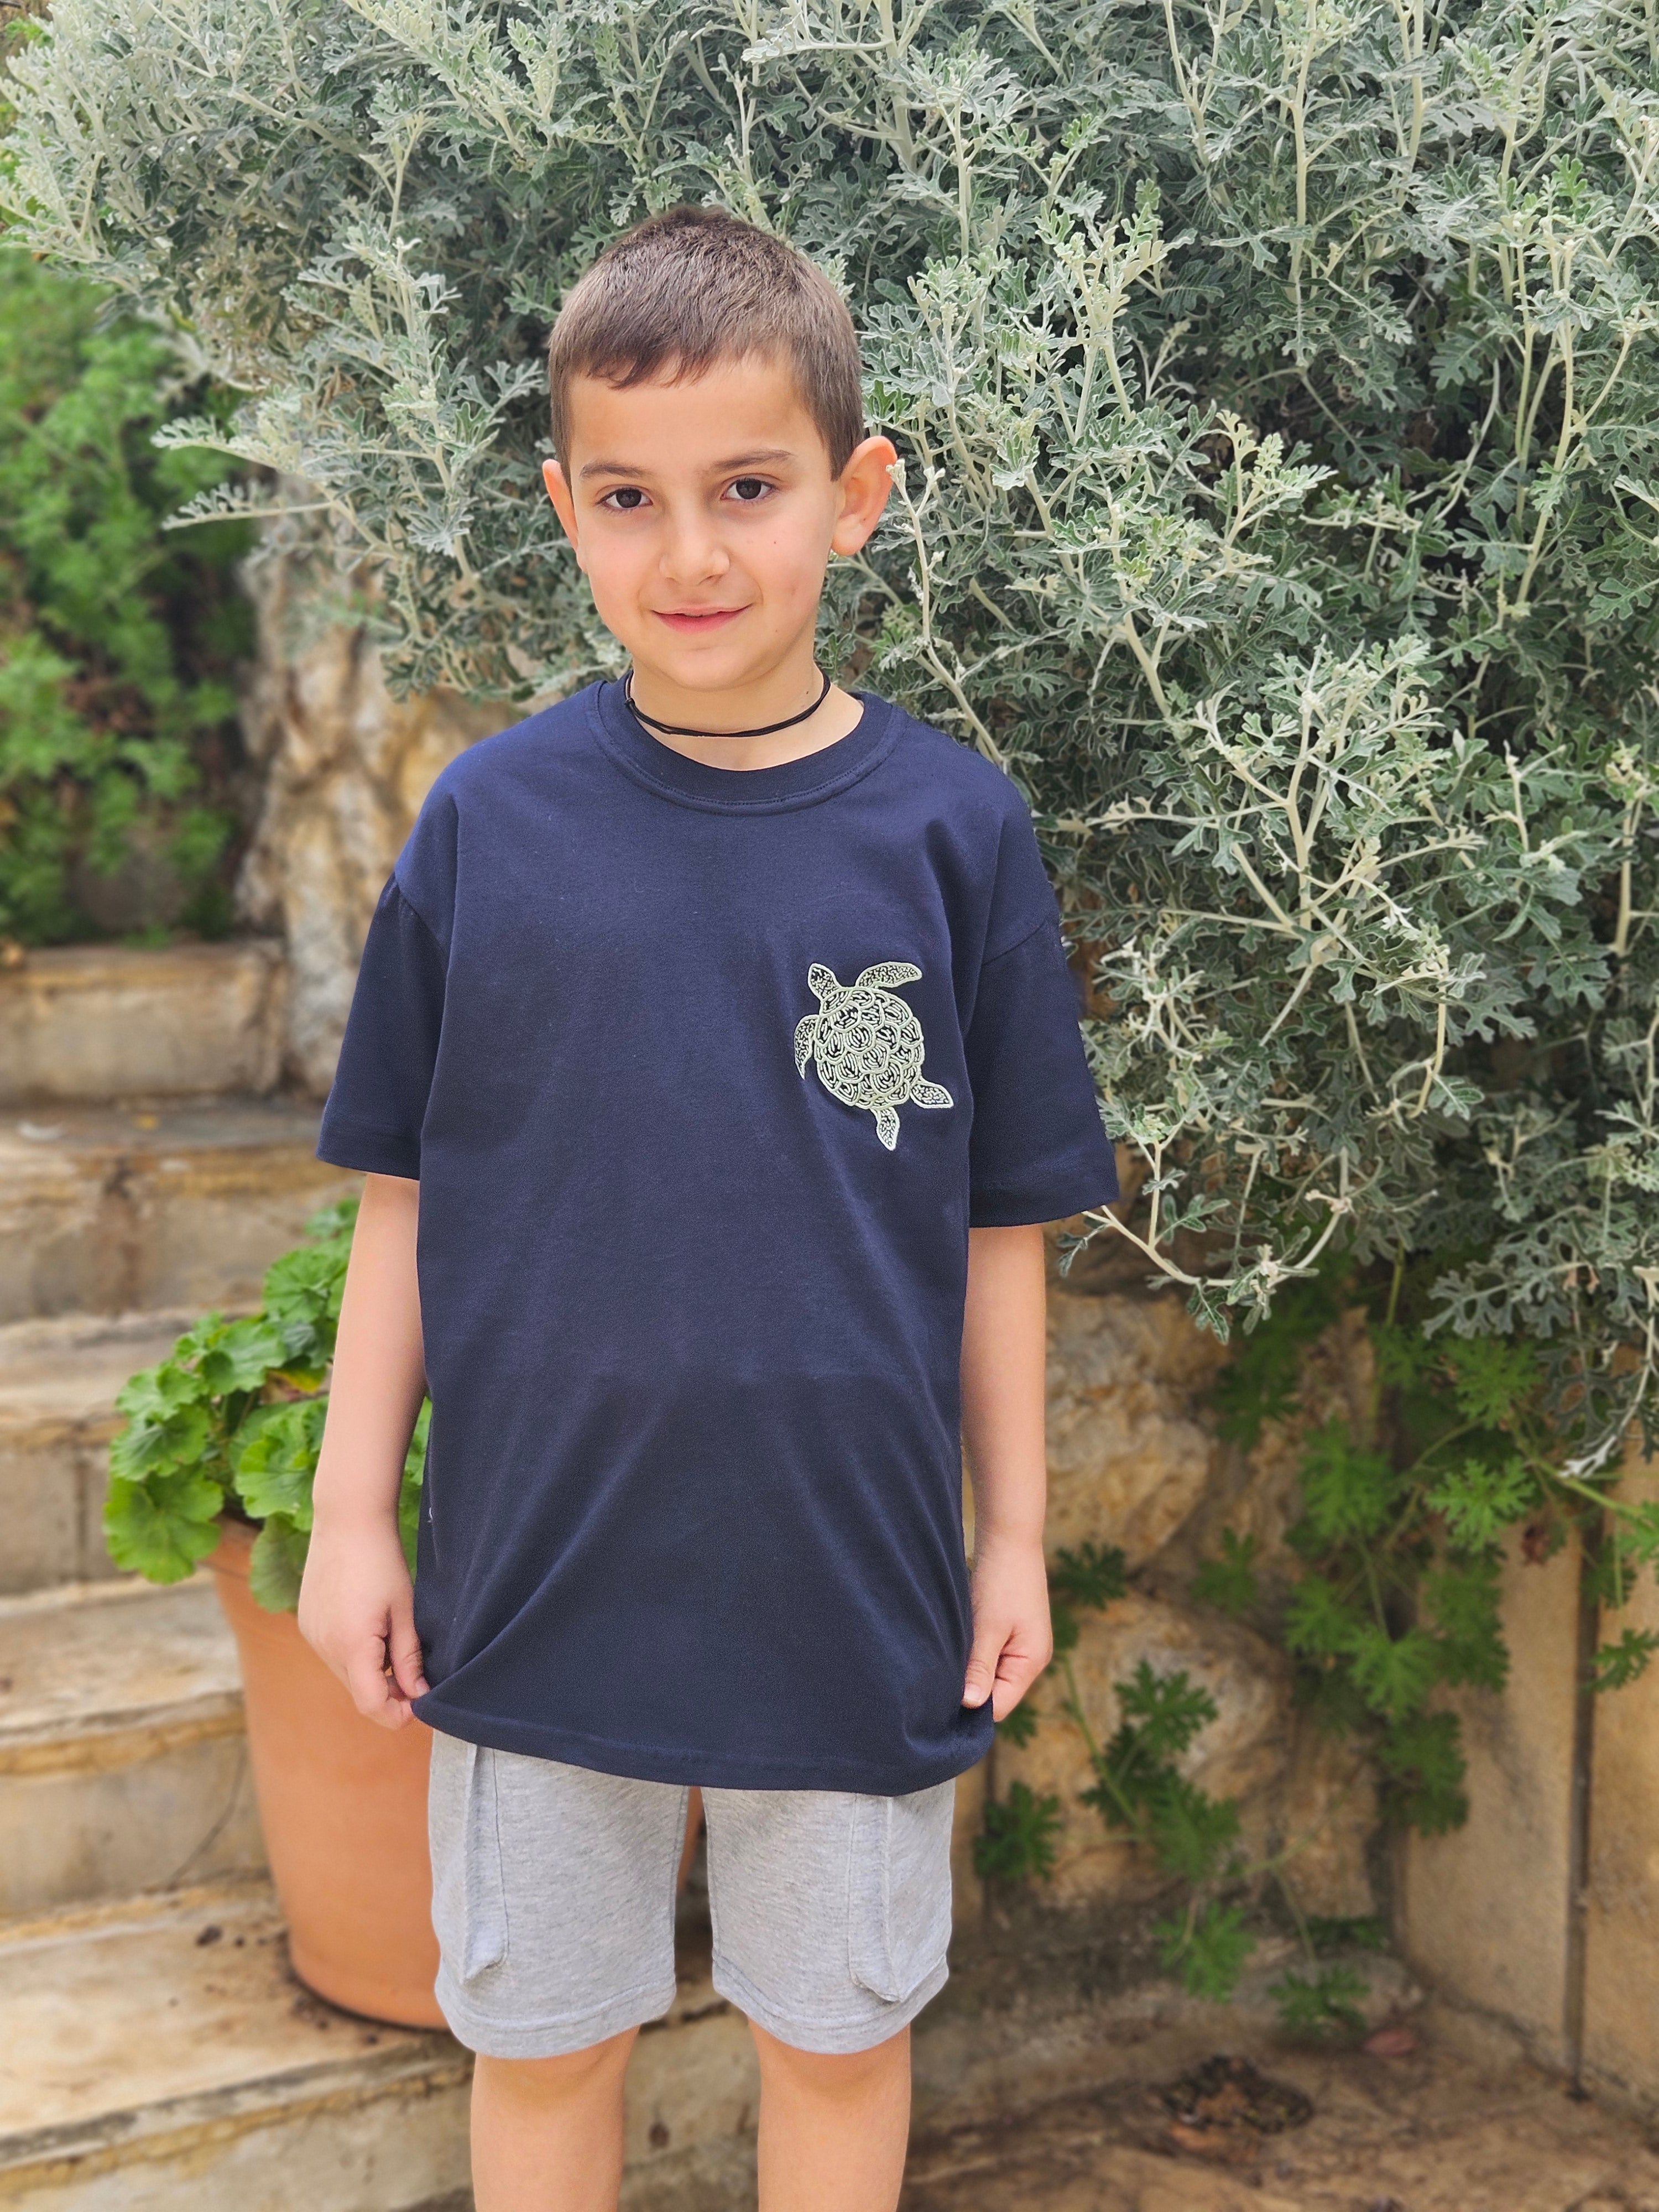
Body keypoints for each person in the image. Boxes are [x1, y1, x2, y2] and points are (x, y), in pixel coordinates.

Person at [296, 204, 1119, 2212]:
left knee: (837, 2046)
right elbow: (404, 1201)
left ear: (856, 494)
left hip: (847, 1585)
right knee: (543, 2046)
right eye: (630, 499)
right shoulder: (489, 826)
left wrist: (1014, 1532)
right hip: (536, 1572)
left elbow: (999, 1229)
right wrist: (347, 1516)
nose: (691, 554)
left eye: (748, 488)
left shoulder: (953, 832)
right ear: (563, 509)